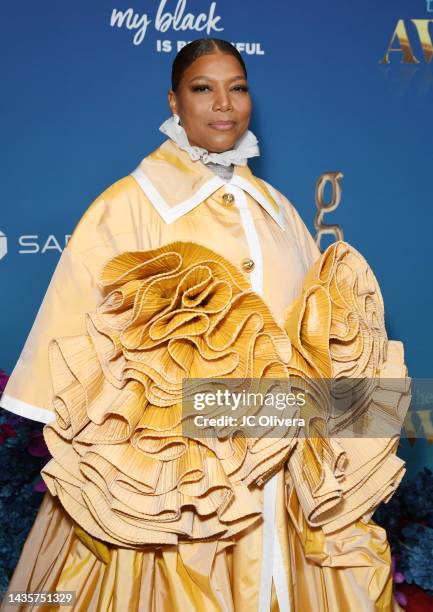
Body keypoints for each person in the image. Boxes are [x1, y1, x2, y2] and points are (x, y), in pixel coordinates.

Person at [0, 38, 410, 612]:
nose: (225, 104)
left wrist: (361, 417)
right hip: (173, 495)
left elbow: (313, 349)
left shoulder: (279, 209)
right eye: (203, 88)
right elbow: (77, 369)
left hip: (283, 487)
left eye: (237, 88)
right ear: (174, 101)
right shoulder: (125, 207)